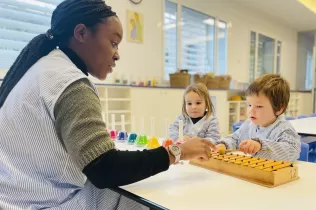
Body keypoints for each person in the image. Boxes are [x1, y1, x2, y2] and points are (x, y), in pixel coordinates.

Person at [0, 0, 214, 209]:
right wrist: (178, 152)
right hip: (43, 202)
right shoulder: (69, 81)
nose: (117, 54)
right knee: (152, 199)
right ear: (81, 33)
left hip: (18, 195)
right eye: (113, 42)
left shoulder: (44, 67)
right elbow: (104, 168)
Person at [215, 74, 300, 162]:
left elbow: (292, 151)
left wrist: (260, 146)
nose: (251, 111)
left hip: (273, 173)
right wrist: (224, 144)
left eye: (259, 106)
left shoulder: (284, 129)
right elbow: (235, 138)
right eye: (249, 105)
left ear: (279, 108)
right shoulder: (249, 125)